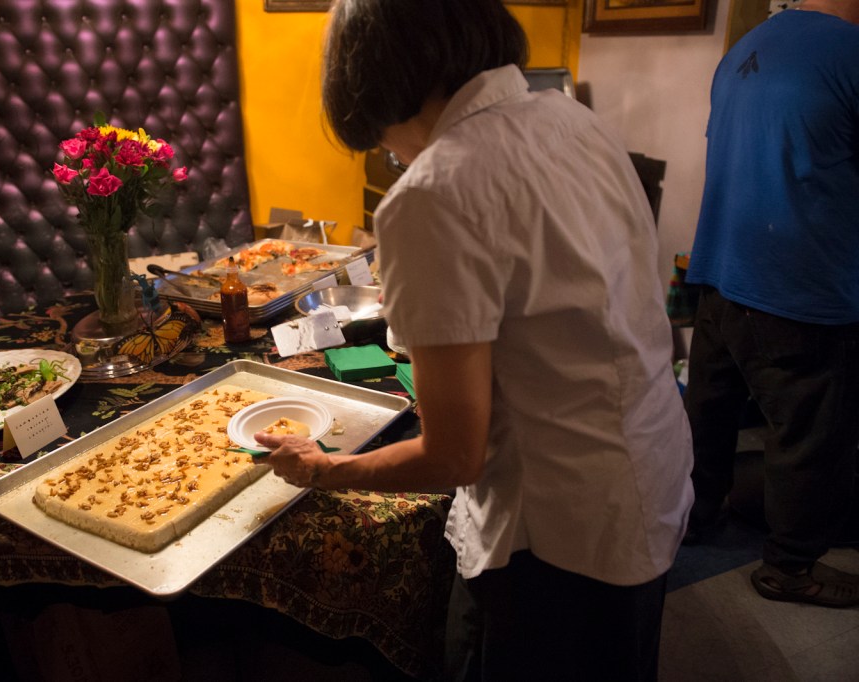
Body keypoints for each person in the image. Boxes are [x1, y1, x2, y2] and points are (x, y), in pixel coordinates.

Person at [253, 1, 693, 679]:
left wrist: (322, 469)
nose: (388, 151)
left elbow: (454, 454)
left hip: (558, 530)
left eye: (379, 137)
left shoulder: (434, 189)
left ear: (383, 79)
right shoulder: (572, 119)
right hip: (646, 466)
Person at [683, 0, 859, 608]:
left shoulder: (741, 50)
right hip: (797, 290)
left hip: (718, 273)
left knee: (710, 412)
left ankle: (697, 515)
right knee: (811, 434)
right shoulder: (850, 53)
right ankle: (790, 567)